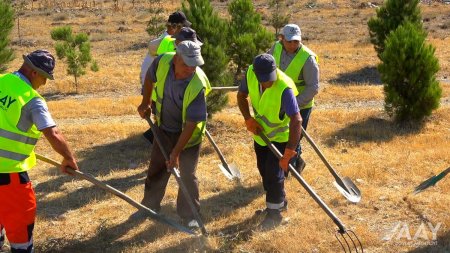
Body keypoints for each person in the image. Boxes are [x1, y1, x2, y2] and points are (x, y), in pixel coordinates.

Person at [0, 50, 79, 253]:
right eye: (45, 78)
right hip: (10, 180)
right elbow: (53, 133)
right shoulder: (32, 100)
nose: (44, 84)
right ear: (34, 73)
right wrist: (68, 158)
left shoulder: (2, 80)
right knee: (20, 236)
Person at [136, 41, 211, 229]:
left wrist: (176, 153)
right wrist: (145, 102)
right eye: (187, 64)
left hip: (188, 136)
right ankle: (150, 206)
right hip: (163, 128)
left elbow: (192, 124)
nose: (191, 69)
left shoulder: (197, 84)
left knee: (187, 174)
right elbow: (149, 78)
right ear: (176, 57)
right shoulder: (163, 61)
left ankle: (190, 216)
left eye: (194, 65)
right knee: (156, 168)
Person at [237, 54, 301, 230]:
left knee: (274, 174)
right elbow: (241, 96)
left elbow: (297, 120)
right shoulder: (250, 73)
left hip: (280, 138)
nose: (268, 83)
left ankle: (274, 215)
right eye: (264, 80)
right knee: (264, 171)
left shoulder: (284, 87)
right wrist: (248, 118)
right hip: (261, 136)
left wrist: (289, 151)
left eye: (270, 78)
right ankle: (278, 202)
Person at [268, 24, 320, 175]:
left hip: (301, 105)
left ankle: (285, 172)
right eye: (289, 41)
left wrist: (293, 104)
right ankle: (297, 162)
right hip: (279, 102)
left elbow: (313, 88)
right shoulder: (275, 48)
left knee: (294, 137)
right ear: (281, 38)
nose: (293, 45)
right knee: (283, 136)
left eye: (296, 41)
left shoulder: (308, 58)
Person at [140, 11, 192, 143]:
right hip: (158, 89)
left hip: (154, 88)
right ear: (174, 27)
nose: (186, 30)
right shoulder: (168, 43)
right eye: (182, 27)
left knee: (163, 121)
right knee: (164, 123)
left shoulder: (164, 41)